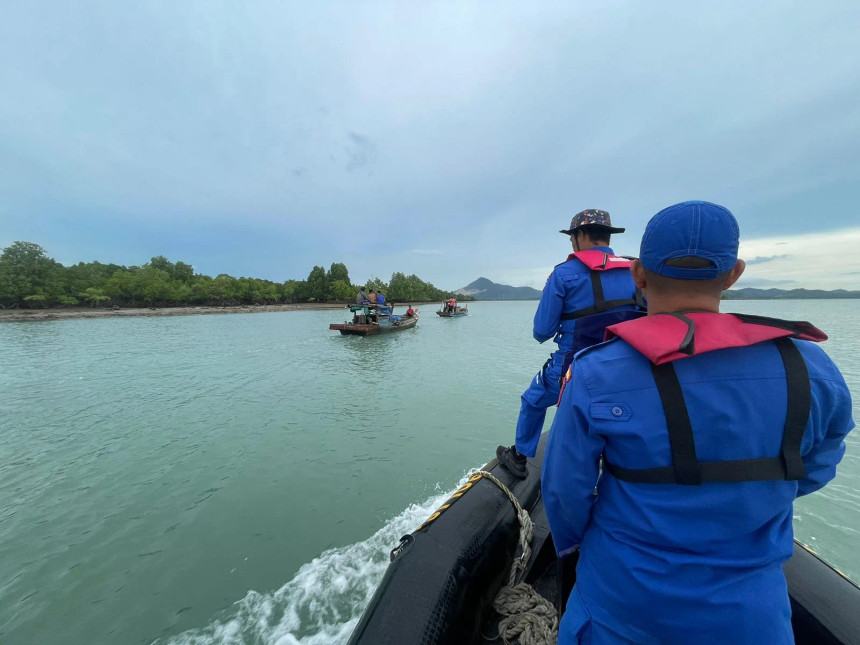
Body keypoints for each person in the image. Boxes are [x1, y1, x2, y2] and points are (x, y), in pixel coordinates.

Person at [542, 200, 855, 644]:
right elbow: (818, 466)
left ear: (638, 274)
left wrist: (574, 548)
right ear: (734, 274)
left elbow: (564, 492)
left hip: (621, 606)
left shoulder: (595, 373)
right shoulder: (811, 368)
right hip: (751, 619)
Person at [497, 209, 644, 478]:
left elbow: (541, 332)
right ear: (608, 237)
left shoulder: (563, 274)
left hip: (574, 369)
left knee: (532, 399)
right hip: (626, 368)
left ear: (581, 235)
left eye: (571, 238)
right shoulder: (636, 271)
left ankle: (519, 456)